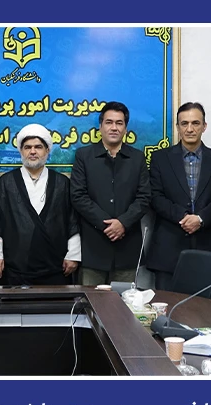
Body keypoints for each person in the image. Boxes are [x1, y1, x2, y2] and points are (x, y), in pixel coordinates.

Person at [145, 102, 211, 291]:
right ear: (177, 127)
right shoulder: (160, 158)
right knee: (166, 307)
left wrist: (200, 219)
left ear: (204, 126)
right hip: (168, 249)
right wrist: (183, 217)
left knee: (205, 308)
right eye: (184, 123)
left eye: (195, 123)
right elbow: (155, 196)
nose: (190, 129)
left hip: (209, 247)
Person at [0, 124, 80, 286]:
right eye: (27, 147)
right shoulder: (6, 182)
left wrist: (73, 255)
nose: (33, 151)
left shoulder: (62, 183)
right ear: (21, 151)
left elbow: (73, 221)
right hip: (15, 267)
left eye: (38, 147)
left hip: (55, 267)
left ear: (47, 150)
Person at [70, 101, 150, 286]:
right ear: (100, 126)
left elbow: (144, 197)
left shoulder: (137, 158)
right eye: (109, 122)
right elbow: (78, 195)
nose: (114, 127)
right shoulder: (84, 156)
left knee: (125, 301)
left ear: (125, 128)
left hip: (127, 246)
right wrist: (107, 224)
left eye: (119, 123)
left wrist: (123, 223)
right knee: (91, 300)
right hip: (93, 247)